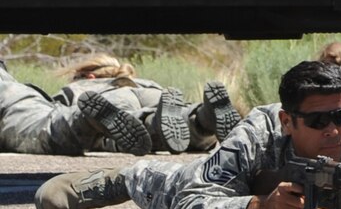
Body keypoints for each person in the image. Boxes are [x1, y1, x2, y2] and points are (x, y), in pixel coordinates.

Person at [35, 59, 341, 209]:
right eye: (318, 120)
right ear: (287, 121)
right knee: (174, 182)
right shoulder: (258, 134)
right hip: (242, 196)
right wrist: (260, 208)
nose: (334, 130)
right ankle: (120, 177)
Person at [0, 55, 236, 156]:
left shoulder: (83, 86)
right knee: (160, 120)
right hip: (149, 93)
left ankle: (87, 118)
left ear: (88, 75)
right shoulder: (137, 80)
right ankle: (203, 119)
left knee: (51, 127)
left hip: (104, 101)